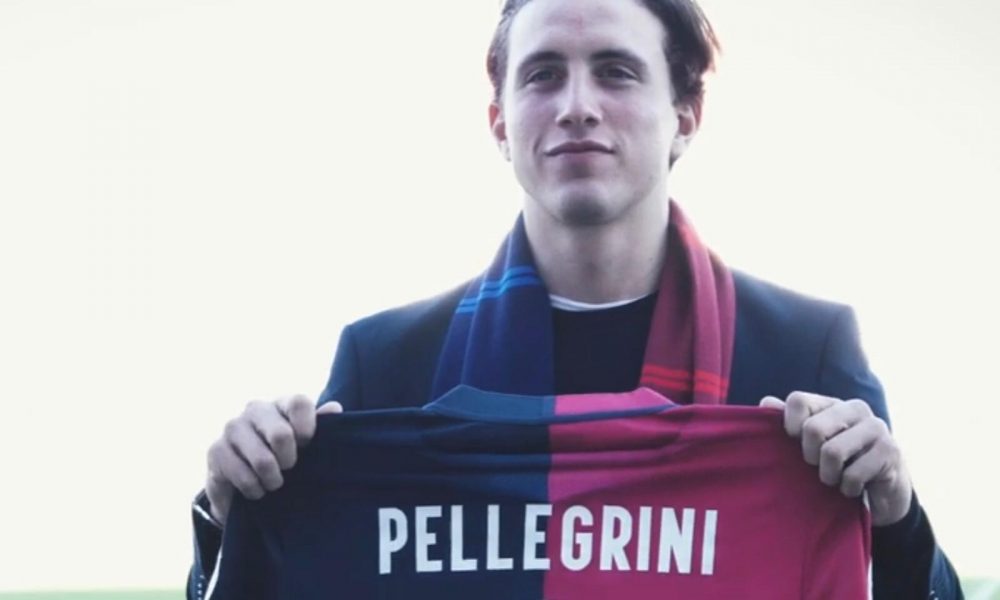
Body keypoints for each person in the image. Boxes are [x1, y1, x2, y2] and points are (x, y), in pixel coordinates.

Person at [187, 0, 963, 598]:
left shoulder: (806, 348)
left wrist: (896, 516)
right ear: (500, 121)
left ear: (685, 115)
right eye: (543, 74)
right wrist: (230, 511)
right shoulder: (384, 360)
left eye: (616, 71)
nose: (577, 106)